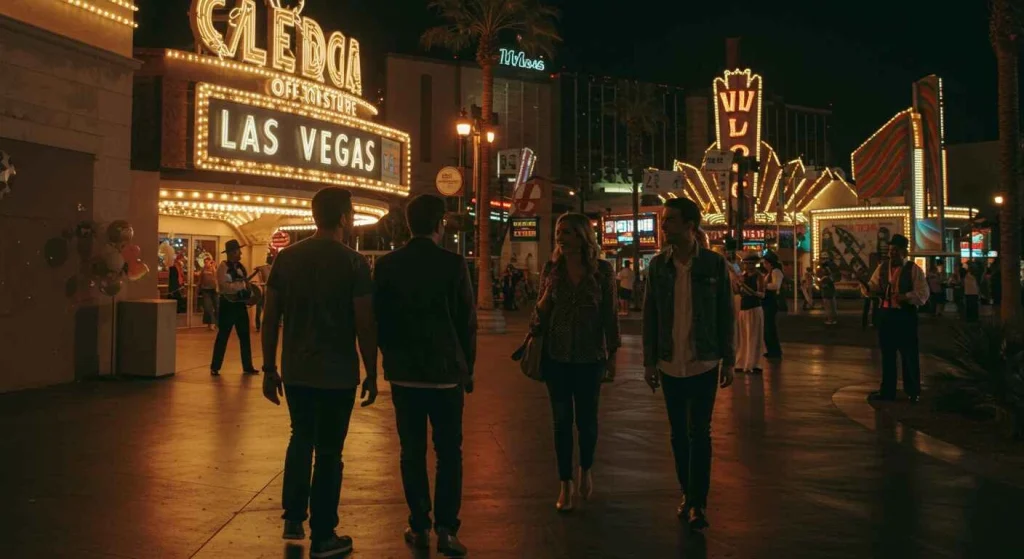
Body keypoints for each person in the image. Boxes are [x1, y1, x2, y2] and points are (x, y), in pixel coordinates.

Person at [259, 187, 379, 558]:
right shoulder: (354, 263)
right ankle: (324, 535)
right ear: (344, 217)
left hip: (296, 369)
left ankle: (294, 517)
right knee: (329, 452)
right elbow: (364, 323)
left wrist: (268, 367)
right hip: (338, 373)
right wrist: (372, 370)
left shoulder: (287, 259)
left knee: (300, 438)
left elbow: (270, 317)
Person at [373, 195, 477, 556]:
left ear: (408, 223)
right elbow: (467, 322)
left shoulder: (387, 266)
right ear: (439, 224)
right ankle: (447, 528)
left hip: (405, 375)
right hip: (446, 373)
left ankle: (419, 523)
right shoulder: (453, 264)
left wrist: (387, 359)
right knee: (449, 452)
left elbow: (379, 321)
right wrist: (469, 368)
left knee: (411, 451)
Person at [642, 197, 735, 530]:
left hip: (704, 361)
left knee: (700, 433)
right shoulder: (657, 266)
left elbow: (726, 313)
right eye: (663, 220)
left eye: (669, 220)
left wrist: (729, 359)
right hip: (669, 363)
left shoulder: (713, 264)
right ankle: (687, 493)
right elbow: (650, 315)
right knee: (678, 434)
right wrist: (649, 361)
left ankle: (697, 501)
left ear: (690, 225)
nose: (663, 225)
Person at [531, 213, 620, 513]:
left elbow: (610, 314)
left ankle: (587, 469)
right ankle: (564, 484)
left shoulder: (603, 272)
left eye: (568, 232)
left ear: (583, 236)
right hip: (556, 356)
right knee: (560, 422)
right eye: (558, 231)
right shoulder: (551, 268)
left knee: (587, 421)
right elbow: (538, 315)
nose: (561, 236)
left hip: (590, 356)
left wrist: (613, 354)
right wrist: (545, 297)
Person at [868, 234, 929, 404]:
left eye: (895, 250)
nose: (892, 253)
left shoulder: (913, 269)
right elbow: (872, 286)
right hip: (886, 315)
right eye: (890, 250)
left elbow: (923, 294)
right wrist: (867, 290)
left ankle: (913, 391)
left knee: (909, 354)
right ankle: (887, 391)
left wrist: (905, 296)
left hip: (905, 316)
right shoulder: (882, 268)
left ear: (904, 252)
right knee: (887, 355)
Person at [210, 239, 258, 376]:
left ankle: (248, 366)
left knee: (244, 336)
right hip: (228, 305)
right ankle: (215, 366)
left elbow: (244, 284)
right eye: (238, 251)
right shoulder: (223, 267)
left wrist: (248, 291)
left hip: (240, 305)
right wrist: (240, 287)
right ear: (231, 253)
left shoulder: (241, 267)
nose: (241, 253)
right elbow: (225, 286)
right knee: (223, 336)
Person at [735, 251, 765, 374]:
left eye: (749, 264)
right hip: (744, 308)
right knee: (743, 337)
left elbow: (761, 294)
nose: (746, 266)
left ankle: (754, 363)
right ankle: (742, 362)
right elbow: (737, 291)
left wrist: (746, 288)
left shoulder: (759, 276)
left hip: (754, 308)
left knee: (753, 336)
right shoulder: (743, 275)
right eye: (745, 264)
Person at [762, 254, 784, 359]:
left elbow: (776, 285)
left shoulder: (776, 272)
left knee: (769, 327)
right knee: (767, 327)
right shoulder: (769, 273)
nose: (764, 265)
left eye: (765, 263)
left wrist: (764, 286)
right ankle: (771, 349)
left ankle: (774, 351)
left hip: (771, 302)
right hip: (767, 301)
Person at [249, 253, 275, 332]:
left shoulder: (262, 267)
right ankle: (268, 326)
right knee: (267, 310)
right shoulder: (275, 268)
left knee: (258, 309)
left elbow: (255, 269)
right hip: (269, 291)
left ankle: (258, 327)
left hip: (261, 290)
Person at [198, 256, 218, 331]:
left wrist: (213, 267)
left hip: (214, 290)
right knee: (207, 307)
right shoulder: (203, 269)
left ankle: (217, 323)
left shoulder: (214, 269)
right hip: (205, 290)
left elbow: (216, 277)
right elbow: (200, 279)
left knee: (217, 306)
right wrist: (198, 288)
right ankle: (211, 323)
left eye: (208, 262)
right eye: (205, 262)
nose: (206, 263)